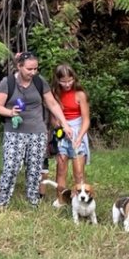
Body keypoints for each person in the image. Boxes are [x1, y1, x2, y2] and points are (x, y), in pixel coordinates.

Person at [0, 51, 74, 207]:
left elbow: (52, 104)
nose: (33, 72)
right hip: (14, 131)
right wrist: (10, 112)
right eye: (29, 69)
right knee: (11, 167)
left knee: (35, 168)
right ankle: (1, 201)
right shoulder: (7, 82)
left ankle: (33, 202)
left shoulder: (39, 81)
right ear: (19, 66)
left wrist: (65, 123)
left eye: (35, 69)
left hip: (37, 130)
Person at [52, 63, 91, 205]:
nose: (67, 84)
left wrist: (79, 138)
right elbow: (53, 119)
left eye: (70, 80)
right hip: (62, 133)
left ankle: (80, 199)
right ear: (57, 80)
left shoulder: (80, 94)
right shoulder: (55, 94)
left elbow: (86, 120)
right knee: (61, 169)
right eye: (63, 81)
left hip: (77, 132)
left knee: (78, 172)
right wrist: (60, 127)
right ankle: (61, 199)